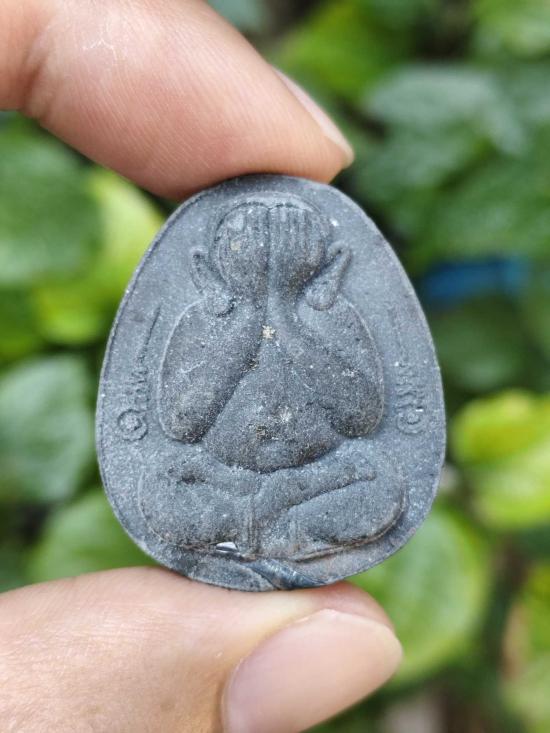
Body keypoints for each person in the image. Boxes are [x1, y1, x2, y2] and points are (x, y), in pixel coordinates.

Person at [0, 1, 402, 731]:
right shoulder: (203, 318)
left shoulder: (331, 313)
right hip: (218, 480)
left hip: (317, 478)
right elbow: (183, 422)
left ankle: (273, 528)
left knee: (382, 485)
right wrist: (248, 316)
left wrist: (291, 313)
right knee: (160, 485)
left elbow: (362, 416)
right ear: (215, 266)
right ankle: (265, 529)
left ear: (321, 264)